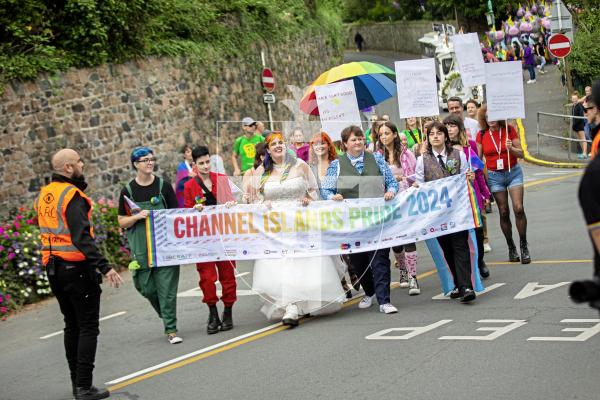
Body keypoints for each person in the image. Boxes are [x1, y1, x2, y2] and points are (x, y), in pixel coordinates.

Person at [36, 148, 123, 400]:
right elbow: (81, 237)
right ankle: (84, 387)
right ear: (67, 168)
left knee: (71, 325)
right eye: (78, 162)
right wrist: (105, 267)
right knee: (87, 326)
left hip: (53, 268)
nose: (82, 165)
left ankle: (77, 383)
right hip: (76, 268)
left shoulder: (46, 195)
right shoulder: (72, 195)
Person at [250, 132, 344, 326]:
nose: (278, 146)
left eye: (281, 143)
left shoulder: (300, 165)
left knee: (304, 264)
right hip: (277, 227)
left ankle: (304, 302)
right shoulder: (262, 172)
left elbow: (314, 192)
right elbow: (254, 199)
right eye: (273, 144)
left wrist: (308, 199)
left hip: (301, 224)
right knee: (282, 265)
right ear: (267, 150)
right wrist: (263, 202)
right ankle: (290, 305)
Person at [321, 125, 400, 314]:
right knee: (358, 261)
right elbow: (326, 190)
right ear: (345, 144)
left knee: (379, 259)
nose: (358, 142)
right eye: (353, 140)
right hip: (352, 224)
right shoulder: (337, 165)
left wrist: (391, 191)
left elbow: (391, 181)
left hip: (376, 220)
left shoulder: (377, 158)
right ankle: (370, 291)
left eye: (360, 139)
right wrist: (333, 197)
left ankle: (384, 300)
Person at [118, 147, 182, 344]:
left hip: (165, 246)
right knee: (145, 287)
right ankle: (165, 313)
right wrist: (137, 216)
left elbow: (176, 216)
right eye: (145, 160)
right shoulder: (128, 191)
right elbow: (121, 221)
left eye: (151, 159)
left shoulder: (163, 186)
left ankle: (171, 329)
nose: (149, 162)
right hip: (141, 247)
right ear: (136, 164)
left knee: (167, 290)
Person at [414, 122, 477, 303]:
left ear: (445, 136)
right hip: (437, 214)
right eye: (431, 134)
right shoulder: (422, 160)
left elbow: (465, 177)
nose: (435, 136)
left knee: (460, 245)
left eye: (439, 133)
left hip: (458, 210)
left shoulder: (458, 155)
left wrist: (470, 178)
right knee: (447, 248)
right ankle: (459, 283)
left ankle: (466, 286)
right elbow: (420, 183)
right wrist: (417, 186)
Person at [183, 146, 237, 334]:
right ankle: (212, 312)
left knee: (228, 275)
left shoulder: (221, 180)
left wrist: (229, 204)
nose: (205, 166)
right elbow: (187, 211)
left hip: (224, 235)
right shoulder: (189, 186)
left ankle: (228, 310)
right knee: (206, 277)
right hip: (203, 238)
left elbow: (230, 202)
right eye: (201, 163)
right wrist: (194, 210)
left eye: (207, 162)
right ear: (194, 165)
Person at [477, 104, 530, 264]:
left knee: (518, 208)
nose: (490, 119)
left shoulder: (509, 129)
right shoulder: (482, 134)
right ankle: (511, 246)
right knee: (503, 211)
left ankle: (523, 245)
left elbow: (522, 154)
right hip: (494, 176)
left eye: (493, 116)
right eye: (487, 117)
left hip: (513, 171)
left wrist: (511, 148)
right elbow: (478, 160)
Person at [308, 131, 356, 299]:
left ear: (328, 145)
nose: (319, 146)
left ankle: (353, 270)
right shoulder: (309, 168)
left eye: (323, 143)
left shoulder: (337, 164)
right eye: (315, 144)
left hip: (338, 208)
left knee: (344, 244)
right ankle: (342, 282)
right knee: (330, 248)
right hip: (318, 212)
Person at [444, 115, 491, 278]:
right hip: (454, 197)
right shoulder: (443, 149)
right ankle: (465, 266)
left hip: (472, 192)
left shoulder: (469, 146)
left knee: (478, 230)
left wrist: (485, 193)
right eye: (447, 126)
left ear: (459, 128)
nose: (449, 129)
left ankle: (480, 261)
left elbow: (478, 171)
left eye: (452, 125)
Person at [377, 122, 420, 294]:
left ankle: (413, 277)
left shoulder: (406, 154)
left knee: (408, 237)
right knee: (395, 241)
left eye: (387, 133)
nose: (384, 137)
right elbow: (374, 177)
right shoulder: (377, 156)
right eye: (381, 134)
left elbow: (417, 174)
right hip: (388, 201)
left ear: (395, 134)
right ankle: (402, 269)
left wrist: (405, 178)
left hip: (405, 198)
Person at [571, 91, 588, 159]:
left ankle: (584, 153)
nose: (574, 100)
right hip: (575, 126)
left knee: (583, 139)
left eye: (575, 99)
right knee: (580, 139)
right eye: (573, 99)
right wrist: (574, 125)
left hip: (579, 125)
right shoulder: (573, 106)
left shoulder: (579, 106)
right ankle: (583, 152)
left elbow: (580, 117)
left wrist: (575, 124)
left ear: (578, 99)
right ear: (571, 99)